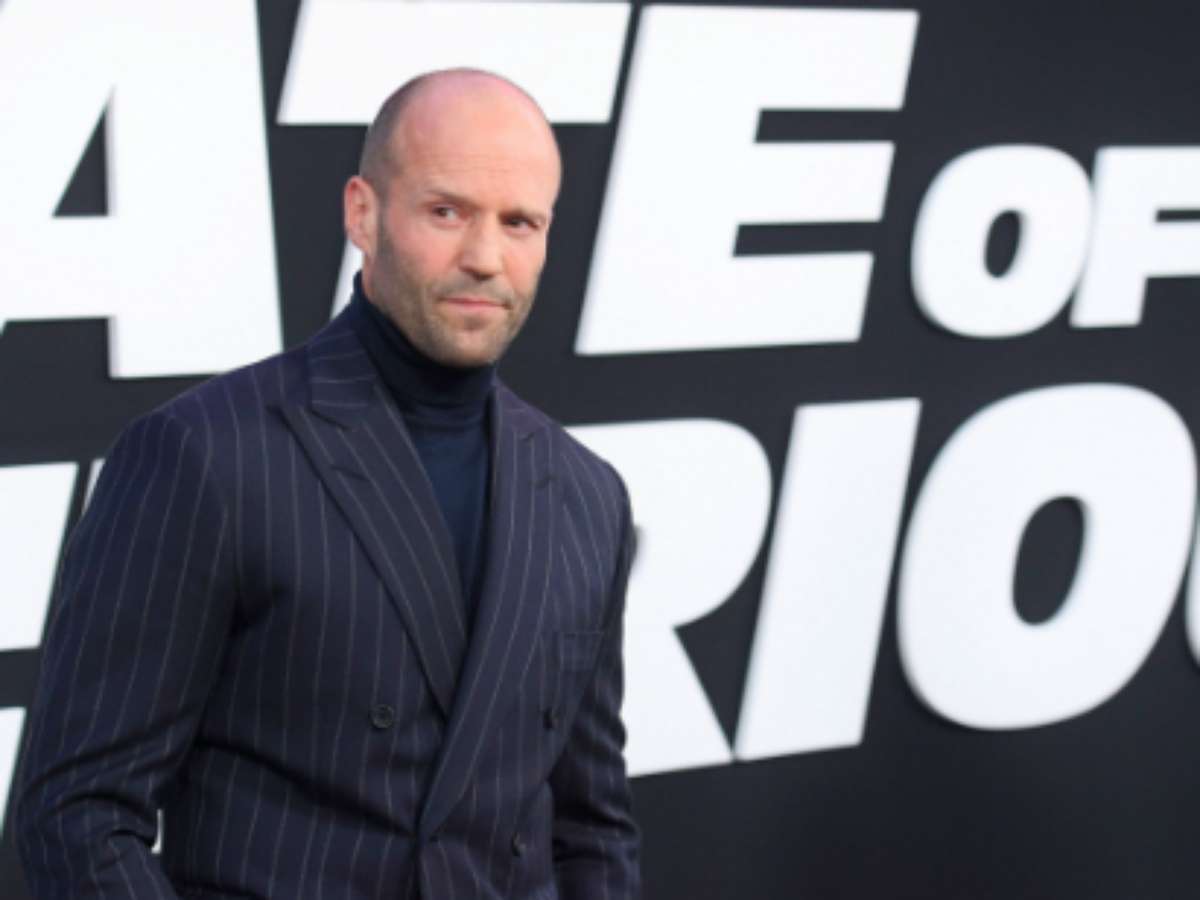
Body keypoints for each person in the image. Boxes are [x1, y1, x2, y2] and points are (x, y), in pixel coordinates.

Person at [15, 68, 640, 899]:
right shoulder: (205, 455)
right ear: (362, 214)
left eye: (519, 222)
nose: (485, 258)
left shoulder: (589, 497)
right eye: (446, 211)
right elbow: (76, 814)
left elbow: (591, 829)